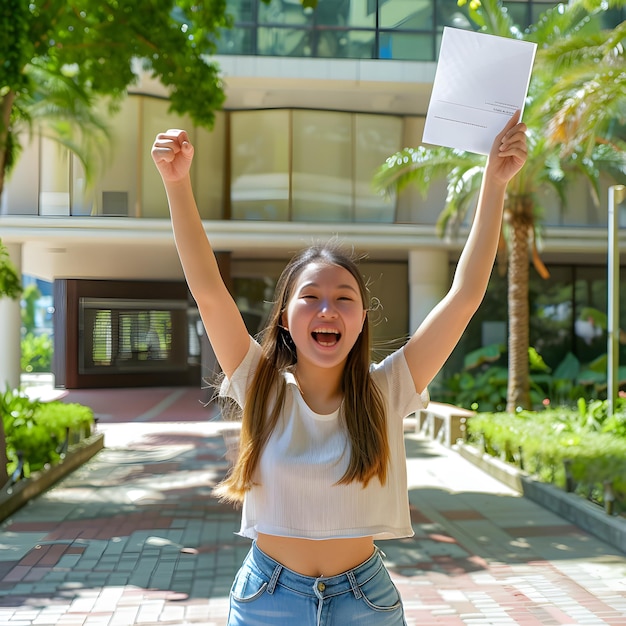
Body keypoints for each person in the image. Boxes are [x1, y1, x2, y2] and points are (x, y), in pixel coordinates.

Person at [151, 112, 528, 626]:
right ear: (285, 318)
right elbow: (210, 292)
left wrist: (495, 182)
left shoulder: (388, 388)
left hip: (364, 602)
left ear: (361, 318)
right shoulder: (260, 384)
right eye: (311, 297)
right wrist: (177, 185)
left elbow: (464, 297)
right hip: (268, 598)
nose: (327, 309)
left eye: (343, 298)